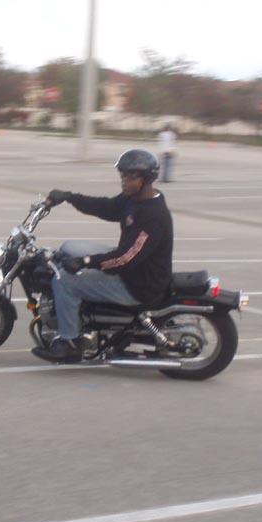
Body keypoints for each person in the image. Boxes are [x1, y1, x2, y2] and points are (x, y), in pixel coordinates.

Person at [35, 149, 174, 363]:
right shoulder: (133, 199)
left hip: (139, 283)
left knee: (64, 281)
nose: (124, 180)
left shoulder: (153, 215)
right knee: (68, 248)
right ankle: (74, 312)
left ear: (146, 179)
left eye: (130, 176)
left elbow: (125, 258)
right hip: (134, 268)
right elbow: (106, 207)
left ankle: (69, 343)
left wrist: (85, 263)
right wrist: (70, 197)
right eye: (122, 175)